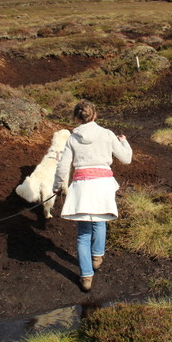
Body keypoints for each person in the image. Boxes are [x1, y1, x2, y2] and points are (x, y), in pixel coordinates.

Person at [53, 100, 132, 292]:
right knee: (99, 222)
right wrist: (124, 142)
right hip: (103, 185)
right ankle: (97, 257)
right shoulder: (107, 134)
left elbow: (63, 167)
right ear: (95, 115)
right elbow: (126, 159)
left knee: (82, 235)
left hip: (82, 187)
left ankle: (86, 277)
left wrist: (57, 187)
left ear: (76, 117)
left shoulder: (72, 138)